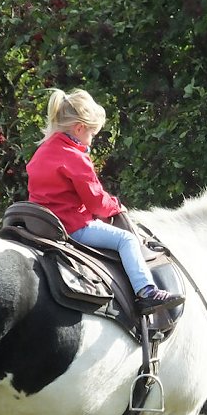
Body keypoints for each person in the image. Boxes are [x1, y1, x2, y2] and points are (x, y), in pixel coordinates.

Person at [25, 88, 184, 314]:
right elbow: (97, 204)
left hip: (43, 224)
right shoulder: (75, 157)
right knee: (126, 240)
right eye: (92, 133)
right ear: (79, 128)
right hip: (72, 226)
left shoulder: (42, 151)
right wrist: (116, 205)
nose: (92, 139)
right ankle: (146, 292)